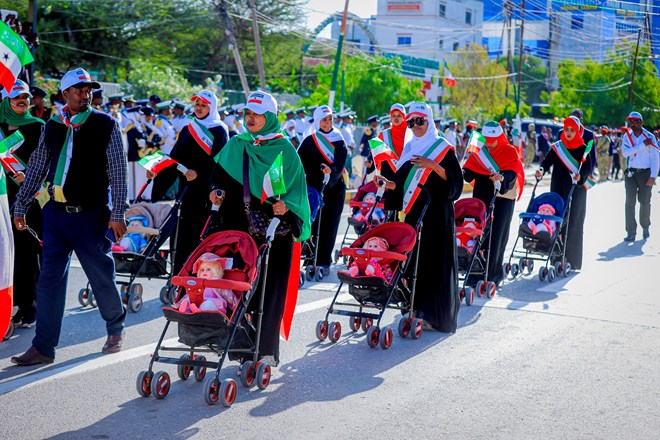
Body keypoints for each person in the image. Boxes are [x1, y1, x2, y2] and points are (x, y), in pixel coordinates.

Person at [10, 68, 128, 365]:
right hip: (55, 215)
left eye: (88, 90)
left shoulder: (106, 124)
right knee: (49, 280)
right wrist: (21, 206)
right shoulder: (53, 125)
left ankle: (115, 328)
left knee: (100, 276)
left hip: (91, 216)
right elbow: (37, 166)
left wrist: (118, 213)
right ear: (65, 94)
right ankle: (43, 347)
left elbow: (118, 171)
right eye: (79, 90)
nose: (86, 94)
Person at [209, 91, 310, 365]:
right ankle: (240, 348)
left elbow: (298, 194)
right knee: (238, 287)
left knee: (270, 292)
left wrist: (286, 206)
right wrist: (215, 192)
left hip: (274, 233)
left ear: (270, 117)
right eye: (248, 114)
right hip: (238, 232)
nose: (251, 119)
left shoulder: (285, 149)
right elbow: (217, 179)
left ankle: (264, 351)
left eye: (257, 114)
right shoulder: (237, 144)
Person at [374, 102, 463, 333]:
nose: (415, 126)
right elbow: (402, 185)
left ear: (429, 121)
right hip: (415, 215)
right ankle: (415, 308)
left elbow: (456, 184)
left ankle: (435, 316)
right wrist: (387, 184)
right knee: (415, 263)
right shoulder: (409, 147)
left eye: (420, 121)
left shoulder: (443, 148)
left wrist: (433, 166)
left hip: (438, 215)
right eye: (411, 122)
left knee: (435, 263)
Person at [151, 90, 229, 273]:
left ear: (211, 108)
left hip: (207, 192)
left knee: (200, 233)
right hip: (186, 190)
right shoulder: (188, 128)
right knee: (181, 233)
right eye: (197, 105)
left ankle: (199, 275)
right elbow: (175, 158)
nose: (199, 108)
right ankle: (178, 274)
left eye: (203, 105)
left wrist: (199, 172)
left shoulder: (219, 130)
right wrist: (157, 170)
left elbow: (219, 160)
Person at [0, 80, 45, 328]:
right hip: (2, 196)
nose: (22, 101)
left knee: (26, 252)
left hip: (28, 197)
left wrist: (28, 177)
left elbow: (46, 161)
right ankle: (10, 305)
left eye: (25, 97)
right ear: (6, 101)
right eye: (16, 97)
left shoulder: (38, 127)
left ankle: (29, 306)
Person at [463, 121, 525, 286]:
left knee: (497, 234)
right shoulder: (479, 150)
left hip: (503, 197)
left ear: (500, 138)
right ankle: (474, 272)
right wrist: (461, 170)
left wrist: (502, 177)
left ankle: (493, 274)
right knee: (478, 233)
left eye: (493, 140)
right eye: (486, 140)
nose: (489, 144)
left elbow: (512, 173)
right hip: (482, 196)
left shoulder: (510, 151)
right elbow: (469, 172)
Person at [536, 115, 592, 270]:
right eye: (566, 129)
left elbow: (587, 167)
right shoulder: (557, 147)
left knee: (573, 223)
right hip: (558, 189)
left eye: (572, 130)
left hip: (576, 190)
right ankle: (556, 257)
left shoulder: (583, 148)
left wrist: (581, 177)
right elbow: (546, 162)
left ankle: (572, 260)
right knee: (556, 221)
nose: (568, 132)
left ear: (577, 131)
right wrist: (541, 170)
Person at [298, 105, 347, 273]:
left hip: (334, 188)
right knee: (312, 223)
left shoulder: (339, 139)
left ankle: (324, 261)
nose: (328, 123)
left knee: (330, 224)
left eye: (330, 119)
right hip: (314, 189)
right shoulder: (310, 140)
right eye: (324, 120)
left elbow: (340, 163)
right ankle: (309, 260)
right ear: (318, 120)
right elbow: (299, 163)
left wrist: (331, 170)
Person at [621, 111, 658, 241]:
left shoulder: (650, 137)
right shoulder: (627, 137)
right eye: (630, 122)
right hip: (631, 173)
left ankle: (645, 227)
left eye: (635, 121)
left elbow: (655, 157)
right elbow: (625, 153)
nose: (632, 124)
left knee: (645, 202)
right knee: (629, 203)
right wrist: (642, 145)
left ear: (641, 122)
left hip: (645, 173)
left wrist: (653, 176)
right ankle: (631, 232)